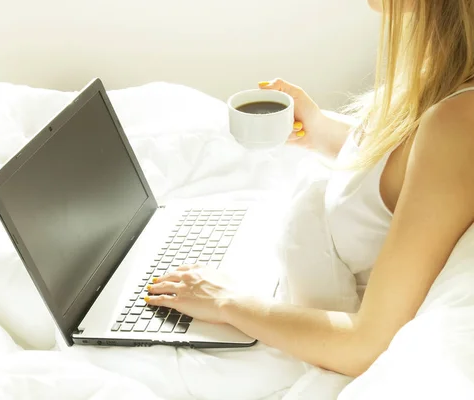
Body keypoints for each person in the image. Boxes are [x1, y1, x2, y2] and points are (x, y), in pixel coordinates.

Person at [145, 0, 474, 377]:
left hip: (321, 343)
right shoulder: (445, 67)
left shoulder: (459, 124)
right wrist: (322, 131)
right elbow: (411, 175)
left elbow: (367, 345)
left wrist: (226, 301)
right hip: (294, 293)